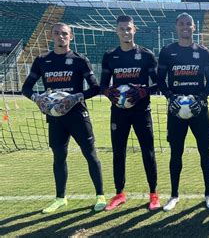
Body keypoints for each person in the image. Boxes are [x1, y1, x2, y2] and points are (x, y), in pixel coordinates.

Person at [22, 22, 106, 213]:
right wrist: (38, 98)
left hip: (77, 115)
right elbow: (26, 88)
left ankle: (100, 195)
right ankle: (60, 198)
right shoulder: (42, 60)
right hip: (55, 118)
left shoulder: (79, 60)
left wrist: (74, 97)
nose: (61, 37)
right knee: (59, 157)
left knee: (90, 154)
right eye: (57, 33)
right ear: (52, 36)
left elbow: (95, 88)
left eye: (65, 34)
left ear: (71, 37)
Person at [100, 15, 160, 211]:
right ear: (116, 31)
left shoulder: (146, 55)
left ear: (135, 30)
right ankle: (119, 194)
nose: (126, 32)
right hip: (119, 112)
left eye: (129, 28)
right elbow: (102, 85)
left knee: (148, 152)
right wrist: (109, 92)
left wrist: (143, 91)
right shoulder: (110, 56)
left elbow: (158, 83)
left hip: (142, 111)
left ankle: (153, 194)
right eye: (122, 29)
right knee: (118, 152)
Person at [157, 13, 209, 211]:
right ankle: (174, 195)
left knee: (204, 152)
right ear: (176, 27)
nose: (185, 27)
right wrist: (170, 97)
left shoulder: (203, 52)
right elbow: (159, 81)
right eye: (181, 24)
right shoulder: (167, 52)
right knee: (176, 153)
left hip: (199, 110)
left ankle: (208, 194)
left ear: (194, 27)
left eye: (188, 24)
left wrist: (200, 99)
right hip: (176, 111)